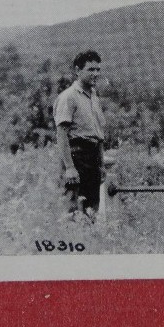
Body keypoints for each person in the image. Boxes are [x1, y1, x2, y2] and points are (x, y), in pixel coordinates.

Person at [53, 51, 105, 221]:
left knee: (92, 212)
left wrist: (101, 164)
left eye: (98, 69)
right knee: (74, 211)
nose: (95, 74)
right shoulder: (68, 97)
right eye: (91, 70)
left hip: (93, 158)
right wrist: (69, 167)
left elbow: (98, 134)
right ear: (77, 70)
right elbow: (62, 134)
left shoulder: (94, 96)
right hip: (77, 156)